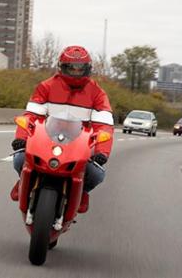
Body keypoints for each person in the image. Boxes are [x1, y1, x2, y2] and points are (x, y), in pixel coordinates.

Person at [10, 46, 114, 213]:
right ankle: (23, 181)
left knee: (96, 174)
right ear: (62, 66)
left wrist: (102, 152)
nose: (75, 72)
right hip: (45, 139)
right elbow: (31, 115)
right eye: (71, 67)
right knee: (19, 159)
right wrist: (22, 137)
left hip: (81, 145)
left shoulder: (97, 94)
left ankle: (83, 193)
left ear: (87, 69)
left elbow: (104, 126)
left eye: (80, 68)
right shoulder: (46, 87)